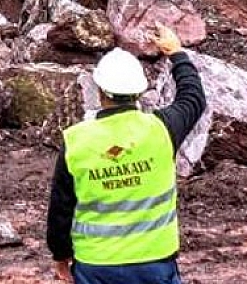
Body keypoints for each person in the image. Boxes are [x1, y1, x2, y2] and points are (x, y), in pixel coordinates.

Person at [47, 23, 206, 284]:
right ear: (139, 90)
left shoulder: (76, 141)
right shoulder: (162, 130)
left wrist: (60, 255)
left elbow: (61, 210)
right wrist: (176, 52)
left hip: (96, 266)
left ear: (99, 91)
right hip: (155, 263)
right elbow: (193, 98)